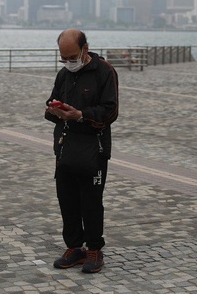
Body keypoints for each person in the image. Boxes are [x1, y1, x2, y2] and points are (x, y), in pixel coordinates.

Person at [45, 28, 119, 274]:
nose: (68, 63)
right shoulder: (64, 74)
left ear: (85, 49)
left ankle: (94, 249)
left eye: (72, 57)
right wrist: (54, 110)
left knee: (91, 202)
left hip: (93, 149)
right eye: (63, 58)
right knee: (67, 200)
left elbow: (111, 111)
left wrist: (81, 115)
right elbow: (52, 103)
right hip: (66, 147)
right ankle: (74, 247)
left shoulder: (105, 72)